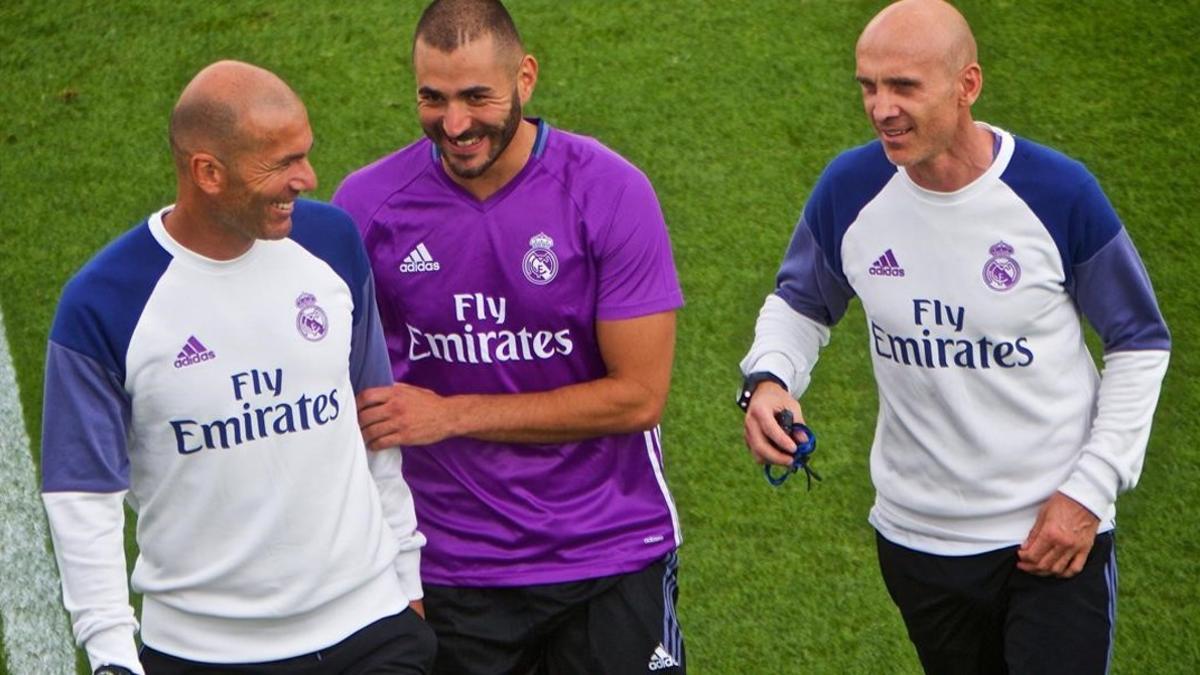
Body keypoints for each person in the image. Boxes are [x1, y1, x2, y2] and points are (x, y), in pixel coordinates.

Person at [737, 1, 1170, 672]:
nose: (881, 108)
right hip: (917, 541)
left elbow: (1138, 340)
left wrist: (1090, 489)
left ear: (967, 86)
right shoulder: (850, 190)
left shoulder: (1056, 194)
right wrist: (769, 379)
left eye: (904, 86)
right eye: (868, 86)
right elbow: (800, 302)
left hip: (1052, 536)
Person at [41, 60, 435, 675]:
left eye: (304, 154)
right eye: (280, 163)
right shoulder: (105, 302)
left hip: (372, 631)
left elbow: (373, 419)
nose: (306, 179)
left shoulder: (331, 243)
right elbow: (83, 497)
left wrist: (404, 574)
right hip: (206, 655)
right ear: (208, 172)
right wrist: (112, 656)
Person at [331, 1, 685, 673]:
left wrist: (448, 414)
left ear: (525, 78)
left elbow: (638, 397)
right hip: (453, 565)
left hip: (608, 551)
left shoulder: (610, 193)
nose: (455, 124)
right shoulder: (369, 206)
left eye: (475, 97)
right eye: (432, 99)